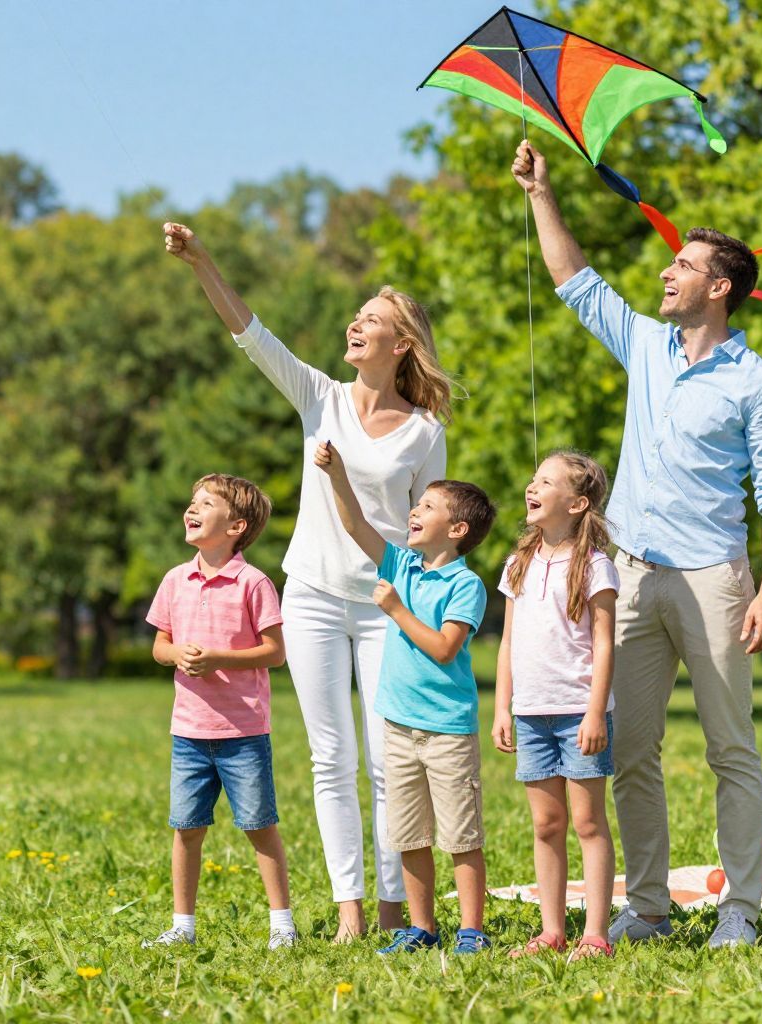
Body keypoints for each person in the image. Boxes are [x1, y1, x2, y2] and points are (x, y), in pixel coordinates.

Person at [512, 140, 762, 949]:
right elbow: (575, 280)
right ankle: (647, 908)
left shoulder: (761, 384)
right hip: (631, 576)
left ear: (721, 287)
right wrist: (541, 192)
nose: (666, 273)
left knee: (729, 748)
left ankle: (740, 907)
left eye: (683, 265)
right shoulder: (643, 344)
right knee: (629, 751)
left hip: (715, 579)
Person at [164, 222, 453, 941]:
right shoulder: (318, 397)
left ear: (402, 345)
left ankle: (396, 910)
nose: (355, 325)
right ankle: (350, 913)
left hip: (387, 607)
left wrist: (420, 605)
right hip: (316, 599)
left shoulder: (425, 432)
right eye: (357, 318)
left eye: (373, 322)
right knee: (331, 759)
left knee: (390, 761)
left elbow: (428, 533)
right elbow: (250, 332)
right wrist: (203, 261)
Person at [313, 440, 496, 955]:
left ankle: (471, 930)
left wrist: (393, 610)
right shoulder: (402, 564)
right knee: (409, 836)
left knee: (460, 836)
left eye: (429, 507)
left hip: (446, 730)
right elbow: (356, 527)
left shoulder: (465, 585)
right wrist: (338, 476)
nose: (415, 511)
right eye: (418, 506)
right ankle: (422, 928)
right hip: (398, 727)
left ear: (457, 530)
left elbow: (444, 648)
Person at [142, 474, 295, 951]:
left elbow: (274, 653)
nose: (192, 508)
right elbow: (159, 646)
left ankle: (282, 925)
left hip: (243, 732)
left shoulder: (254, 583)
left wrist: (218, 658)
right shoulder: (174, 580)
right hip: (188, 731)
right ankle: (182, 927)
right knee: (186, 829)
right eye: (192, 501)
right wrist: (176, 655)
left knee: (258, 826)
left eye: (205, 503)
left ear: (236, 525)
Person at [492, 451, 619, 961]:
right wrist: (503, 708)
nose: (532, 485)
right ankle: (551, 931)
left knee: (588, 823)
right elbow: (506, 643)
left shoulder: (596, 566)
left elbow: (606, 644)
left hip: (578, 714)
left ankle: (594, 933)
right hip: (531, 713)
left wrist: (594, 713)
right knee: (546, 825)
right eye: (533, 476)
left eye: (546, 480)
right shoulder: (517, 563)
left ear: (577, 502)